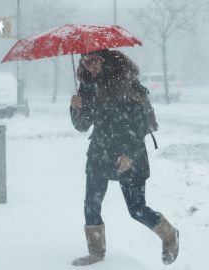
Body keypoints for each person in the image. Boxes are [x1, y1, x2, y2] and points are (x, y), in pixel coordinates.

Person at [69, 49, 179, 266]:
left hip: (129, 150)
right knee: (91, 202)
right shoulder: (88, 85)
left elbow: (139, 124)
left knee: (136, 210)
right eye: (85, 62)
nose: (89, 66)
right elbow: (82, 125)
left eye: (93, 61)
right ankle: (96, 252)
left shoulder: (125, 81)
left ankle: (169, 234)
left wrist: (129, 154)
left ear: (104, 60)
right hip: (100, 150)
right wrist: (76, 109)